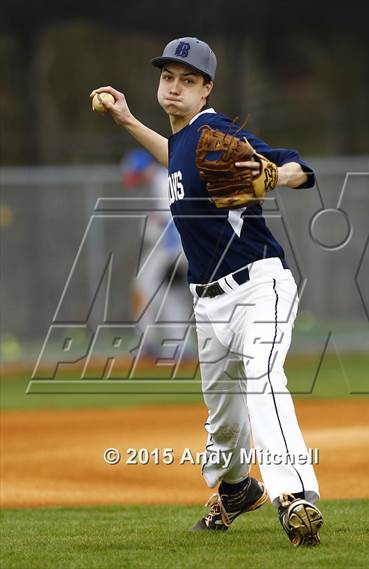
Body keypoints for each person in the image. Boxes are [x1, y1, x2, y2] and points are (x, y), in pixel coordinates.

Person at [90, 36, 323, 547]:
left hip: (260, 285)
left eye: (188, 80)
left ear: (206, 89)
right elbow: (173, 155)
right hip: (208, 300)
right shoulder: (183, 142)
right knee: (223, 420)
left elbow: (300, 167)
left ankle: (295, 496)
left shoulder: (215, 134)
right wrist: (127, 120)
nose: (175, 88)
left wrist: (277, 175)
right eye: (168, 78)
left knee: (263, 378)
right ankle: (236, 490)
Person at [121, 148, 190, 357]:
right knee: (170, 296)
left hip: (171, 249)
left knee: (144, 288)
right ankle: (180, 346)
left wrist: (174, 255)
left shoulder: (161, 181)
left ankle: (148, 342)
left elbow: (173, 221)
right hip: (174, 248)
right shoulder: (159, 180)